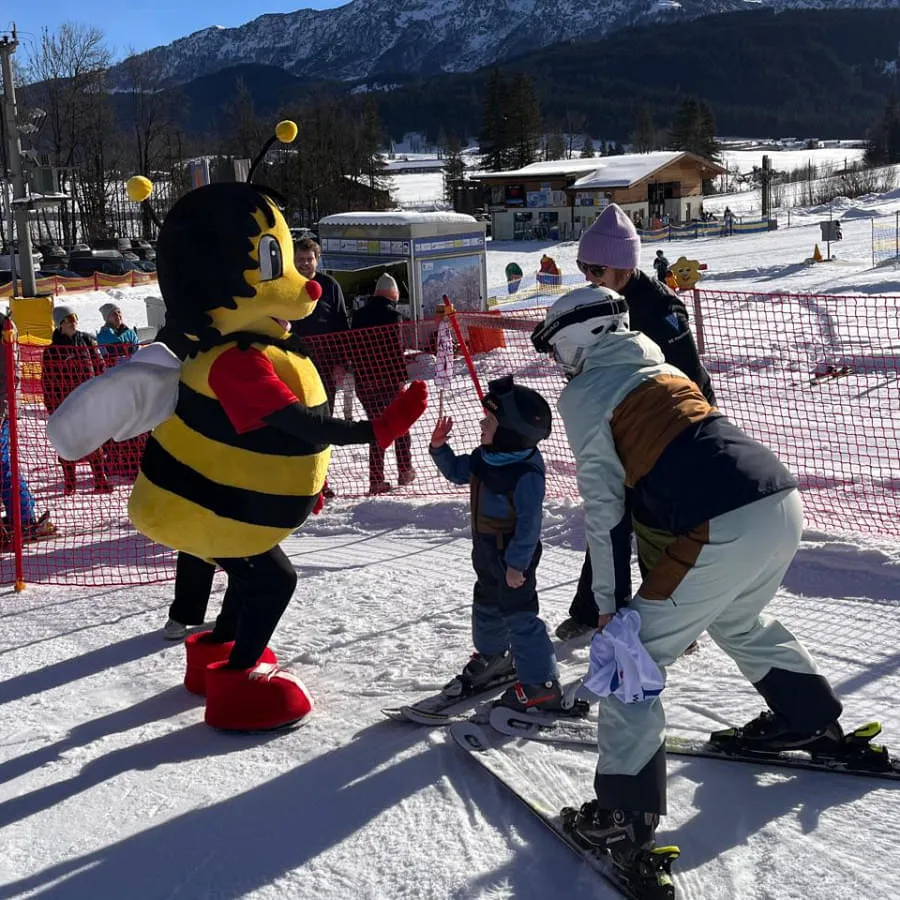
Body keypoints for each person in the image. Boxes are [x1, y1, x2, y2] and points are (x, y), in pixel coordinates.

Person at [531, 285, 846, 874]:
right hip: (778, 500)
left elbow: (605, 510)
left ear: (574, 337)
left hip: (722, 518)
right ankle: (809, 715)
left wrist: (607, 605)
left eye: (556, 349)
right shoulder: (656, 362)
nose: (558, 363)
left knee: (630, 658)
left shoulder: (586, 391)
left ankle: (623, 817)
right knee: (738, 618)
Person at [556, 203, 716, 641]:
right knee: (607, 522)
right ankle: (593, 610)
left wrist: (695, 439)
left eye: (596, 268)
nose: (588, 275)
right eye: (583, 266)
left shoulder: (661, 308)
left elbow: (690, 379)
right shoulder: (599, 305)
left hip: (663, 438)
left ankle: (668, 622)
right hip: (618, 430)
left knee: (655, 530)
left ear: (623, 266)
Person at [429, 375, 563, 711]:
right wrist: (439, 448)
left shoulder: (525, 472)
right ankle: (493, 657)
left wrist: (517, 564)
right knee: (486, 605)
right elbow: (459, 472)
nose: (481, 423)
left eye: (488, 421)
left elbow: (530, 524)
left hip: (513, 558)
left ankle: (542, 683)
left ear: (510, 430)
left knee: (520, 617)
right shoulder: (485, 457)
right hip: (486, 552)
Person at [351, 272, 416, 494]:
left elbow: (351, 348)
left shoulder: (358, 316)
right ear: (394, 295)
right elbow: (395, 351)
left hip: (364, 383)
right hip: (389, 382)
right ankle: (405, 470)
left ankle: (376, 479)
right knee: (400, 425)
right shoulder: (393, 316)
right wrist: (401, 378)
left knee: (377, 428)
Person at [41, 306, 111, 495]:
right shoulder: (52, 351)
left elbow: (100, 367)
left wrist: (101, 391)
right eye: (69, 319)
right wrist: (53, 408)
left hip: (88, 400)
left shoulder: (87, 341)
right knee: (67, 442)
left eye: (75, 318)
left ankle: (99, 479)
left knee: (94, 440)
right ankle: (70, 482)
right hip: (65, 404)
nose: (74, 322)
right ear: (60, 324)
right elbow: (47, 383)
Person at [0, 312, 54, 547]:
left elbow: (8, 375)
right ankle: (21, 515)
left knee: (3, 467)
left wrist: (4, 408)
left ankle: (23, 518)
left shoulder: (3, 327)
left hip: (1, 408)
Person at [289, 237, 351, 413]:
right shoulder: (286, 286)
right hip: (293, 358)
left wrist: (341, 363)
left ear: (317, 260)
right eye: (300, 259)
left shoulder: (330, 286)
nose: (305, 264)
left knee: (323, 409)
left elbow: (341, 324)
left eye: (309, 259)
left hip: (324, 361)